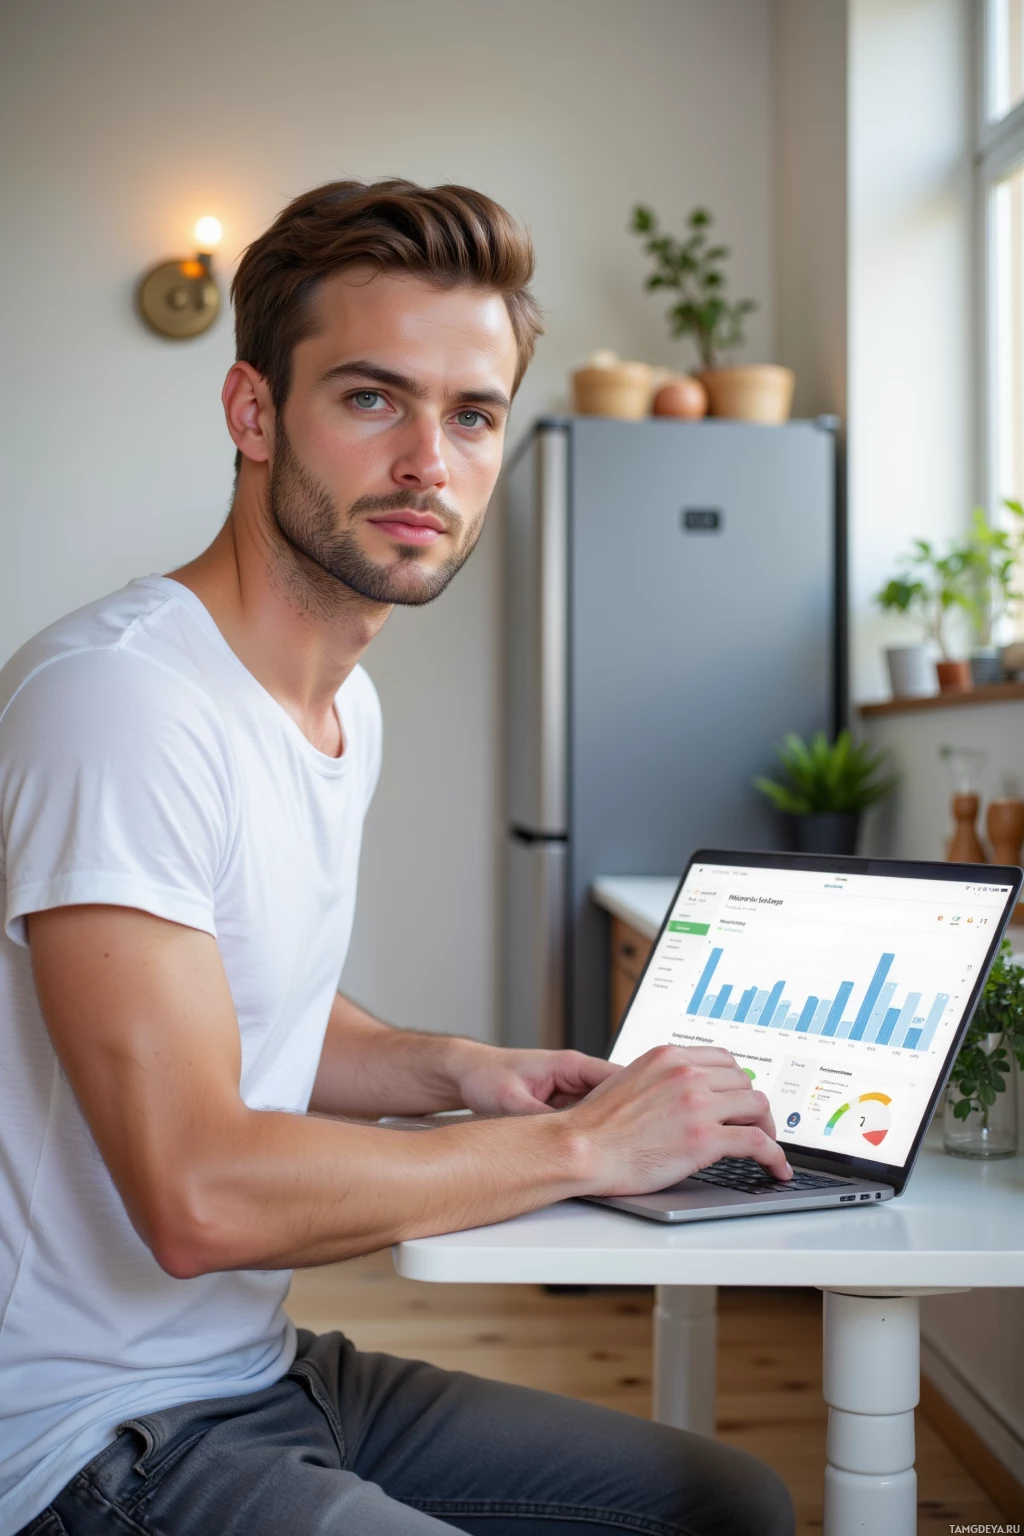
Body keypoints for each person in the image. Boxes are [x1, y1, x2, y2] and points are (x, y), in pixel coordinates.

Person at [0, 179, 795, 1536]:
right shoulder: (120, 702)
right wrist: (583, 1147)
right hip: (86, 1437)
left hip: (262, 1370)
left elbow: (254, 1010)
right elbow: (197, 1194)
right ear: (255, 414)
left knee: (723, 1501)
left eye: (473, 414)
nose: (431, 461)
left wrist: (458, 1072)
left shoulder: (339, 705)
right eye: (373, 399)